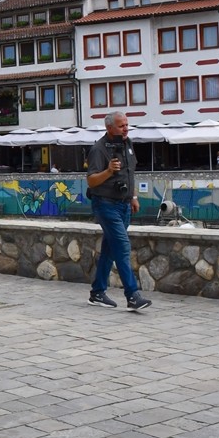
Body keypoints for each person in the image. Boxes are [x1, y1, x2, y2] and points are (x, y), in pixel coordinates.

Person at [85, 112, 151, 311]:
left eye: (127, 125)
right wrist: (108, 171)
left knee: (109, 249)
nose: (126, 128)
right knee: (122, 247)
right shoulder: (98, 149)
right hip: (105, 204)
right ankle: (132, 296)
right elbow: (91, 180)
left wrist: (133, 197)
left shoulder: (127, 144)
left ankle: (97, 293)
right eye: (121, 126)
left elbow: (130, 173)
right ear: (109, 128)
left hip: (124, 205)